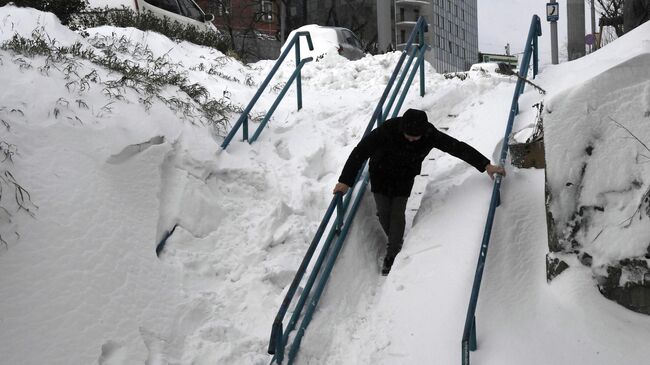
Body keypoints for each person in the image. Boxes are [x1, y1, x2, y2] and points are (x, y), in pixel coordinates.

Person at [333, 109, 505, 275]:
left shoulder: (429, 134)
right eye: (409, 136)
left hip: (404, 177)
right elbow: (360, 151)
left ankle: (392, 253)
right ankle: (394, 242)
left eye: (416, 137)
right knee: (384, 213)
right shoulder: (387, 130)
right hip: (381, 174)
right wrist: (345, 181)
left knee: (398, 214)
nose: (412, 140)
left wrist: (485, 165)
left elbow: (457, 147)